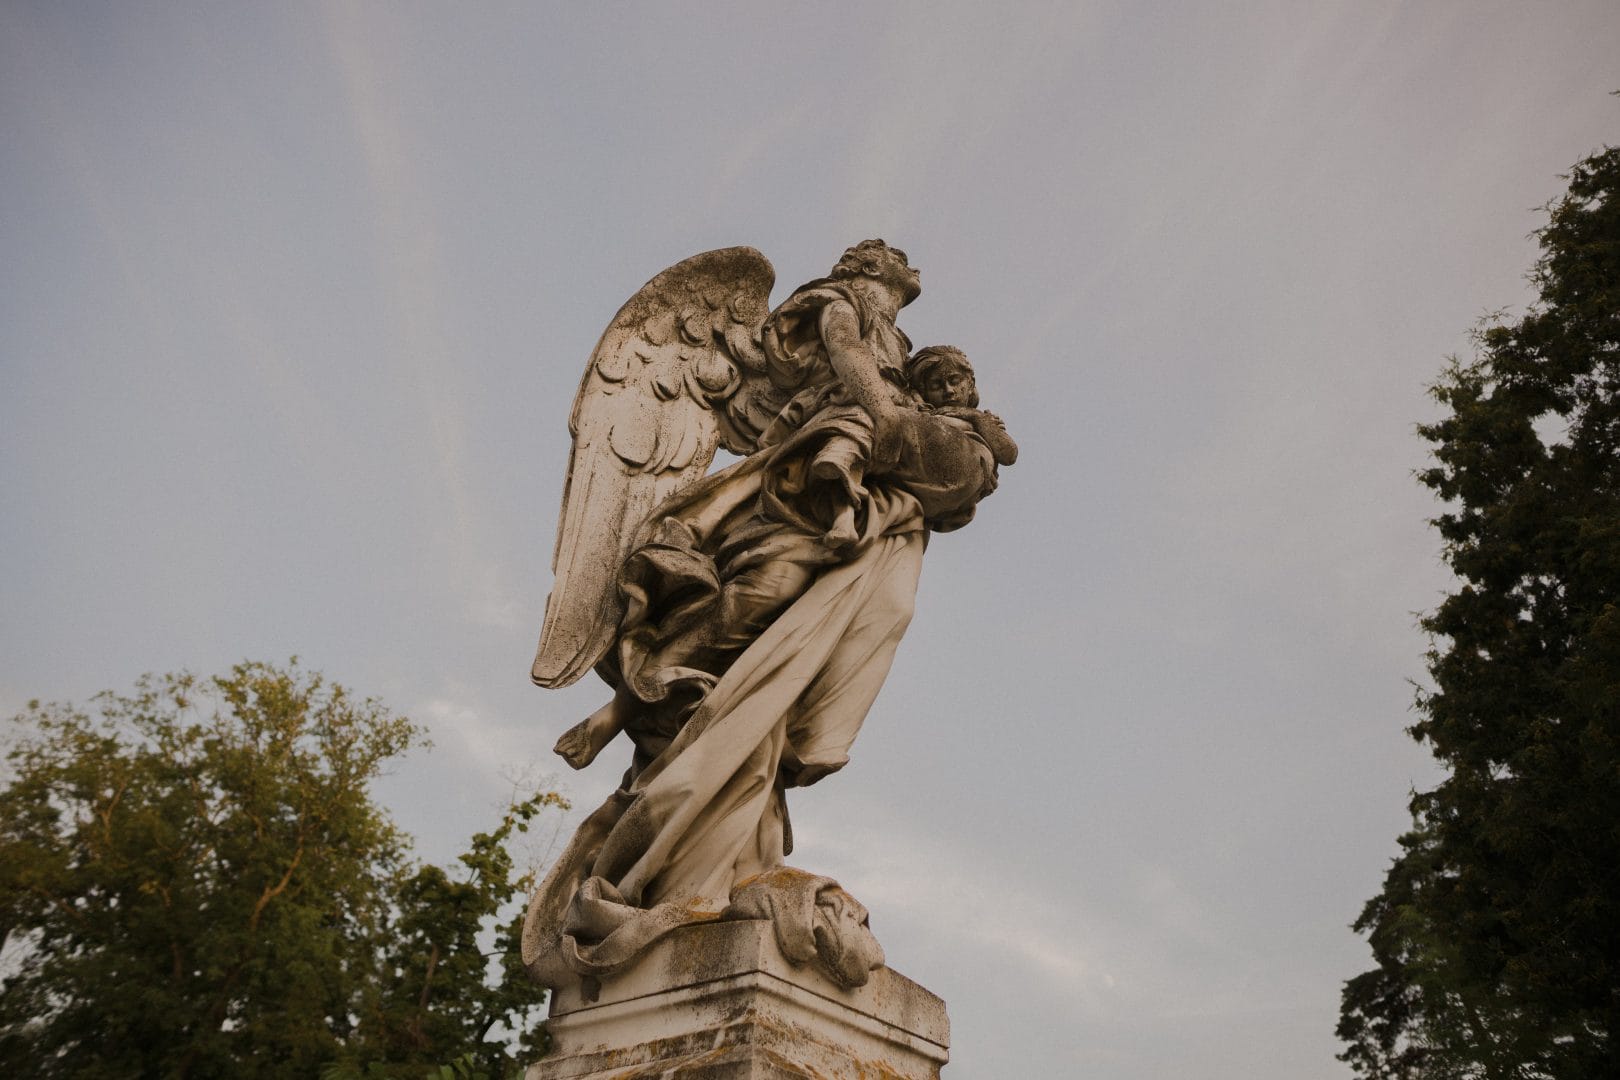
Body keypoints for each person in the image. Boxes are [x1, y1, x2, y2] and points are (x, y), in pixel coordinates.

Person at [523, 241, 1009, 986]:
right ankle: (633, 705)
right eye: (892, 263)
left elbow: (956, 467)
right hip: (787, 499)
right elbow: (852, 371)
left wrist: (920, 436)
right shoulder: (840, 306)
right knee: (752, 613)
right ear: (870, 272)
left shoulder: (901, 347)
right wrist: (886, 421)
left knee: (764, 701)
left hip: (852, 512)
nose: (907, 272)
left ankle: (724, 866)